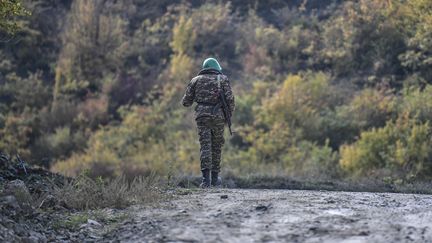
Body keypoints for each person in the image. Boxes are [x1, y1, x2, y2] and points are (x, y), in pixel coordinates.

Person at [181, 58, 235, 188]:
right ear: (216, 68)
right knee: (216, 146)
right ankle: (215, 180)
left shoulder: (195, 80)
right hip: (218, 117)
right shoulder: (223, 79)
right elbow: (230, 100)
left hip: (202, 117)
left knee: (205, 145)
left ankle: (206, 181)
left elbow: (186, 102)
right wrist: (228, 115)